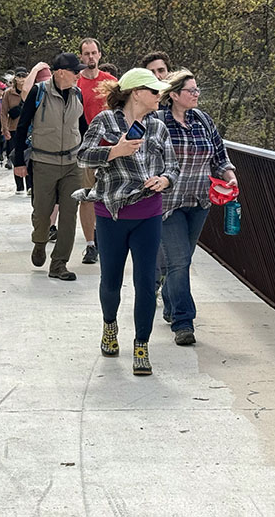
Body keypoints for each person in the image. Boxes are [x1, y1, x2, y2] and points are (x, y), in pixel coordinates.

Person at [76, 68, 178, 376]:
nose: (160, 97)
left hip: (148, 212)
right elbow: (83, 156)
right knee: (111, 281)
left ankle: (141, 345)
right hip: (112, 214)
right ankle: (110, 325)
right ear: (136, 92)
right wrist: (114, 151)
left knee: (146, 283)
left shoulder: (158, 127)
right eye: (154, 91)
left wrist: (165, 179)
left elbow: (172, 165)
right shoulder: (105, 121)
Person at [157, 69, 237, 346]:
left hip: (199, 201)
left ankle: (170, 303)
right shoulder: (158, 122)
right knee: (179, 261)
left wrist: (229, 175)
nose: (196, 94)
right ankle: (183, 322)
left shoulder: (203, 120)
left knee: (182, 261)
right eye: (191, 91)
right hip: (168, 204)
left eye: (197, 90)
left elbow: (219, 156)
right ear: (174, 95)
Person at [13, 52, 88, 281]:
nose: (79, 74)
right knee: (42, 212)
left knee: (69, 215)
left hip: (73, 164)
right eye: (75, 71)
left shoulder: (78, 93)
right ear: (61, 72)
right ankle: (39, 241)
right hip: (44, 162)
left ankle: (59, 264)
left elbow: (83, 127)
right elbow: (23, 125)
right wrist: (18, 162)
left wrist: (90, 153)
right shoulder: (39, 92)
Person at [76, 38, 116, 264]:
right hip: (86, 148)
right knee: (88, 196)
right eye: (86, 53)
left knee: (110, 196)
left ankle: (107, 239)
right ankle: (90, 245)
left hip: (110, 148)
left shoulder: (110, 82)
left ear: (100, 55)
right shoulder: (76, 84)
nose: (90, 57)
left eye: (94, 53)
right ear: (81, 56)